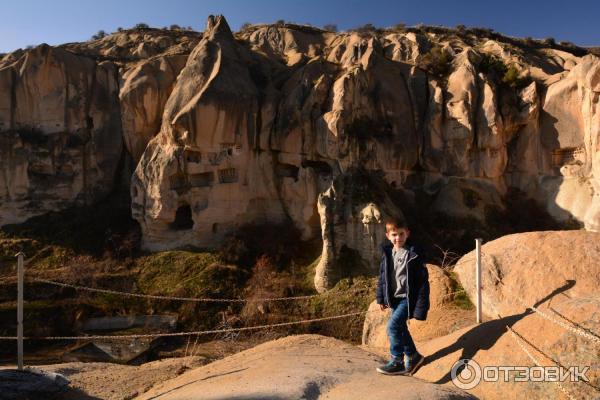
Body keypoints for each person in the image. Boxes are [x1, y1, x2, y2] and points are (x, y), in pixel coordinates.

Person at [375, 219, 430, 375]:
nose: (398, 238)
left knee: (392, 327)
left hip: (407, 298)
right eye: (394, 234)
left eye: (401, 234)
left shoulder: (413, 255)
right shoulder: (387, 253)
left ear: (407, 234)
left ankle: (397, 361)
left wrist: (420, 307)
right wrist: (381, 298)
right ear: (388, 236)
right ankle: (414, 356)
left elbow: (422, 283)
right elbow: (383, 277)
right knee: (400, 327)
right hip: (395, 299)